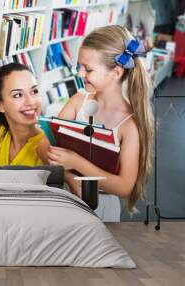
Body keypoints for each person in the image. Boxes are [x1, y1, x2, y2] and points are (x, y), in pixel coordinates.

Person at [37, 25, 154, 221]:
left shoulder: (129, 125)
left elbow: (125, 186)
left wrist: (77, 163)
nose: (80, 74)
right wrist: (70, 177)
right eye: (80, 66)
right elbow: (44, 146)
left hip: (102, 207)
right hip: (64, 196)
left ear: (116, 73)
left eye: (88, 69)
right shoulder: (78, 101)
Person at [0, 63, 45, 166]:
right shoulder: (0, 132)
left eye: (34, 91)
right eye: (18, 95)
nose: (30, 102)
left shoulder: (44, 145)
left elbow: (75, 181)